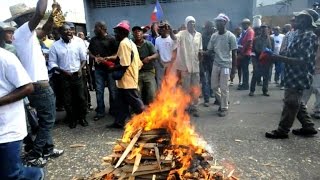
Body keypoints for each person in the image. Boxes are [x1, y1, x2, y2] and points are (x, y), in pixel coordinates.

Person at [8, 1, 64, 167]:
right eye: (28, 15)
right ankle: (35, 154)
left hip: (35, 84)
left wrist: (54, 14)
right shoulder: (23, 30)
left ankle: (49, 148)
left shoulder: (25, 33)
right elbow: (39, 14)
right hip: (39, 84)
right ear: (23, 18)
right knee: (48, 121)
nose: (31, 17)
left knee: (44, 119)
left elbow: (45, 30)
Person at [266, 9, 319, 139]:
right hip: (291, 74)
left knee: (290, 102)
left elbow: (303, 61)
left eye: (300, 18)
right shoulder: (297, 34)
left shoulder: (309, 36)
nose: (296, 20)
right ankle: (308, 126)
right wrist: (279, 55)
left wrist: (279, 58)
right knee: (297, 102)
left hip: (299, 75)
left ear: (307, 21)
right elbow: (293, 53)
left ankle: (282, 130)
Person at [0, 47, 45, 180]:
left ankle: (36, 175)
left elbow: (27, 87)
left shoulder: (5, 57)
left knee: (11, 175)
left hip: (6, 130)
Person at [103, 20, 144, 128]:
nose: (115, 35)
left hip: (127, 80)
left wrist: (111, 69)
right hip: (127, 80)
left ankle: (148, 121)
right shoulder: (131, 43)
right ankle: (119, 122)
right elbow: (138, 63)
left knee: (136, 104)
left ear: (122, 33)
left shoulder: (124, 43)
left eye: (117, 32)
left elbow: (124, 64)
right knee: (121, 103)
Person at [48, 24, 88, 129]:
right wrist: (62, 71)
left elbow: (83, 59)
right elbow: (52, 63)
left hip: (77, 75)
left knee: (81, 98)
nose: (69, 32)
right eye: (65, 30)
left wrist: (80, 68)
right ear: (61, 33)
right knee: (68, 100)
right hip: (64, 77)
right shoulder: (55, 46)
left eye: (70, 30)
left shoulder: (78, 43)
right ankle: (72, 119)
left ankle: (82, 118)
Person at [207, 14, 237, 117]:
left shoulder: (231, 36)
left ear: (225, 23)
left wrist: (233, 70)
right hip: (216, 64)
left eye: (220, 21)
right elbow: (210, 50)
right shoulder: (214, 36)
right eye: (217, 21)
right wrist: (202, 53)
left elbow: (234, 53)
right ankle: (224, 101)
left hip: (225, 65)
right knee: (214, 86)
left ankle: (224, 107)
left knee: (224, 88)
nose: (218, 23)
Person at [88, 21, 118, 120]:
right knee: (99, 91)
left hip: (110, 69)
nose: (94, 30)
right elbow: (90, 52)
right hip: (98, 70)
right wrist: (94, 58)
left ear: (101, 28)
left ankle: (113, 110)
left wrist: (106, 59)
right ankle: (100, 112)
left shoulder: (112, 39)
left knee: (112, 91)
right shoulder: (93, 40)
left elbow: (117, 55)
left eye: (95, 28)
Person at [175, 16, 203, 117]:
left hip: (195, 66)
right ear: (186, 24)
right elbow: (174, 38)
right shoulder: (181, 34)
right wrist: (170, 32)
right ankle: (186, 107)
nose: (192, 24)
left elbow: (200, 48)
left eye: (193, 22)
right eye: (190, 23)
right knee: (185, 89)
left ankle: (194, 107)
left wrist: (200, 53)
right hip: (185, 67)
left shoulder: (199, 35)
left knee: (195, 88)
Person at [132, 26, 159, 105]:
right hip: (136, 72)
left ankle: (152, 110)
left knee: (152, 91)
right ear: (133, 34)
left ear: (142, 33)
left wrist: (149, 58)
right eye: (135, 32)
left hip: (148, 72)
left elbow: (156, 54)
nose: (137, 33)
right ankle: (138, 110)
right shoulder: (131, 45)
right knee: (136, 92)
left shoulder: (148, 44)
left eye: (139, 31)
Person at [249, 24, 274, 97]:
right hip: (257, 59)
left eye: (265, 29)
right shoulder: (255, 39)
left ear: (268, 30)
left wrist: (271, 61)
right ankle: (252, 91)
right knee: (255, 75)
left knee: (266, 77)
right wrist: (254, 62)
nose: (264, 31)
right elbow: (252, 51)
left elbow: (272, 50)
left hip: (267, 60)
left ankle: (265, 91)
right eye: (262, 29)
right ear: (260, 30)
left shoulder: (271, 39)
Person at [302, 20, 320, 119]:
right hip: (309, 69)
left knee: (318, 91)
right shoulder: (312, 38)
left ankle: (318, 110)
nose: (317, 29)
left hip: (318, 70)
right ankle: (301, 107)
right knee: (306, 89)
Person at [155, 20, 177, 85]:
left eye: (164, 27)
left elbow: (175, 52)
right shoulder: (157, 39)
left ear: (167, 28)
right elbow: (157, 52)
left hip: (171, 64)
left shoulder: (172, 38)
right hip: (161, 64)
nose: (162, 29)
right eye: (160, 27)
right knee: (161, 83)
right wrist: (160, 62)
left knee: (171, 83)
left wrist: (171, 64)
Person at [201, 21, 215, 107]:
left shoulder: (214, 36)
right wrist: (205, 53)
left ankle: (211, 92)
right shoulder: (202, 37)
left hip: (212, 60)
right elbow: (201, 49)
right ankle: (206, 99)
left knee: (212, 79)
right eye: (211, 27)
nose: (212, 29)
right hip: (204, 61)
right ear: (207, 28)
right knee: (205, 80)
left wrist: (207, 52)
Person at [238, 18, 255, 90]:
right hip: (244, 51)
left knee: (245, 70)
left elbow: (249, 42)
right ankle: (244, 83)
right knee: (243, 69)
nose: (243, 25)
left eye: (244, 24)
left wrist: (242, 51)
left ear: (248, 24)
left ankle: (245, 85)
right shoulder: (245, 31)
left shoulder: (250, 31)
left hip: (246, 53)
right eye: (242, 24)